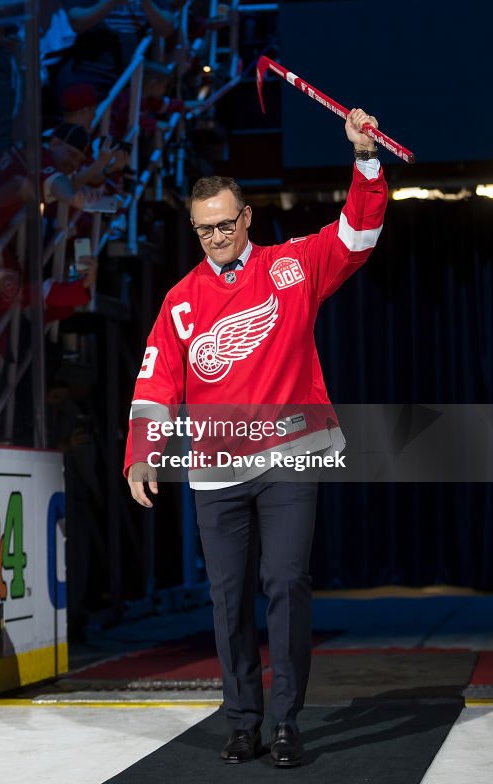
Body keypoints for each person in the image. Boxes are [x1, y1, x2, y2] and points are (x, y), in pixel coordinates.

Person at [124, 109, 387, 767]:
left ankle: (285, 722)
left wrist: (363, 158)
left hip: (288, 457)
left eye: (223, 224)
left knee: (286, 580)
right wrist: (141, 454)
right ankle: (241, 719)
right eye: (202, 229)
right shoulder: (180, 301)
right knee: (226, 596)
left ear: (245, 219)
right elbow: (155, 379)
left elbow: (357, 236)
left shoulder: (292, 267)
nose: (214, 236)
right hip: (215, 470)